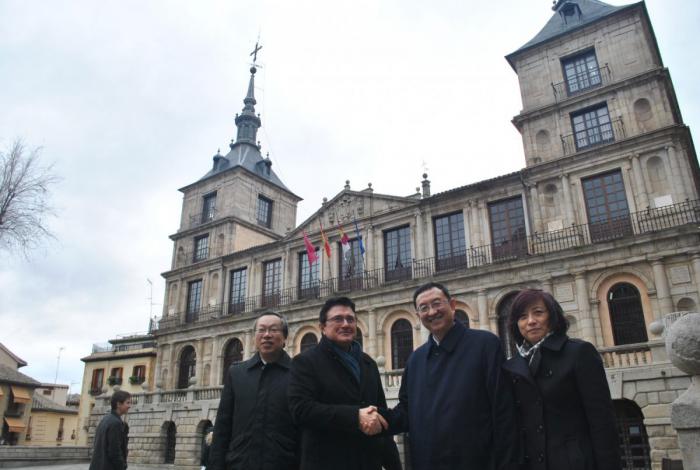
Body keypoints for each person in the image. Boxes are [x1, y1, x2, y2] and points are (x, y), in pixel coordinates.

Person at [376, 282, 519, 470]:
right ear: (418, 316)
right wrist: (375, 418)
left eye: (437, 303)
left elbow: (504, 412)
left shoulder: (485, 345)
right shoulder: (416, 359)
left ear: (452, 305)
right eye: (424, 308)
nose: (432, 312)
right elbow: (406, 412)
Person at [502, 289, 620, 470]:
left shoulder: (579, 353)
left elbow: (602, 422)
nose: (531, 321)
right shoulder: (514, 365)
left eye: (538, 313)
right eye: (522, 317)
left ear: (553, 316)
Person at [288, 296, 401, 470]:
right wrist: (355, 416)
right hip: (326, 462)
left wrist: (394, 466)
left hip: (368, 462)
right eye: (337, 319)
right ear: (322, 327)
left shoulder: (368, 363)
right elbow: (301, 410)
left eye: (350, 319)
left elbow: (380, 418)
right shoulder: (305, 362)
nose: (346, 324)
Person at [208, 311, 299, 470]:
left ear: (285, 338)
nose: (267, 335)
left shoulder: (298, 374)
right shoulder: (237, 373)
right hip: (239, 463)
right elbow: (223, 426)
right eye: (261, 330)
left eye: (273, 330)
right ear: (254, 338)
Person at [89, 389, 131, 470]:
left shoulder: (105, 419)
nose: (130, 406)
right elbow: (114, 451)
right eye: (127, 403)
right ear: (118, 404)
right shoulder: (116, 423)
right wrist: (122, 467)